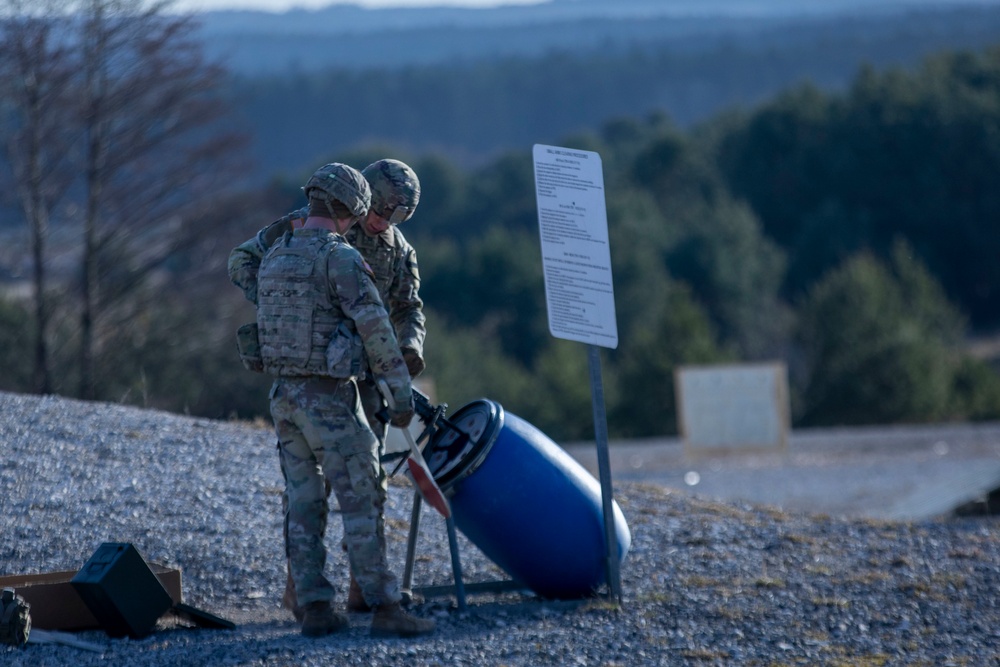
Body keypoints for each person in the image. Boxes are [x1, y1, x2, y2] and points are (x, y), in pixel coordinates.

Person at [229, 162, 434, 638]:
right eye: (381, 209)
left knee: (366, 484)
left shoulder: (396, 251)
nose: (386, 220)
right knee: (333, 492)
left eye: (398, 214)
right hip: (331, 383)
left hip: (354, 379)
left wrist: (410, 351)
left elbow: (406, 311)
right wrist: (288, 306)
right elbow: (242, 262)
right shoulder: (305, 229)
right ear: (360, 203)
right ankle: (321, 599)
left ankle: (358, 592)